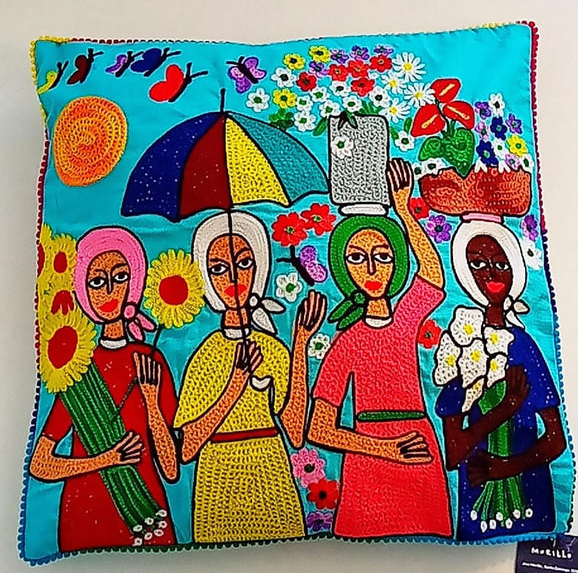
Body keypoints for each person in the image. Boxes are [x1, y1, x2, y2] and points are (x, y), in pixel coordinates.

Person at [307, 158, 452, 539]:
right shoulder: (346, 341)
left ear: (397, 263)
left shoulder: (406, 318)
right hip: (368, 457)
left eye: (383, 256)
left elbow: (433, 277)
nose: (371, 268)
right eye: (357, 257)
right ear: (343, 268)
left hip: (420, 447)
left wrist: (404, 210)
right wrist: (387, 448)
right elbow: (319, 429)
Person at [174, 210, 327, 544]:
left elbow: (295, 433)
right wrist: (236, 384)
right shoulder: (205, 355)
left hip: (271, 466)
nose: (233, 278)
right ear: (206, 278)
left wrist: (300, 343)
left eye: (243, 263)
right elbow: (187, 448)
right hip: (218, 472)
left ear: (259, 267)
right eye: (218, 269)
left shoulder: (273, 348)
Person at [30, 227, 178, 551]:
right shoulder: (77, 365)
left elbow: (170, 468)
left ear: (134, 283)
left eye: (120, 276)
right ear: (83, 291)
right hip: (84, 508)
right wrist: (106, 459)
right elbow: (40, 463)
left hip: (146, 506)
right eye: (97, 281)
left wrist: (152, 403)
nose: (110, 290)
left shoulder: (151, 359)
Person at [434, 216, 567, 540]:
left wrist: (506, 468)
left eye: (501, 264)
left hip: (530, 496)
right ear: (465, 273)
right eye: (478, 264)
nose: (491, 274)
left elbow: (555, 439)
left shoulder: (524, 346)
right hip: (477, 500)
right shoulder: (461, 344)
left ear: (515, 270)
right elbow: (454, 453)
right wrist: (505, 408)